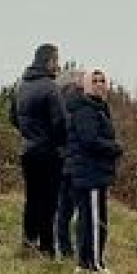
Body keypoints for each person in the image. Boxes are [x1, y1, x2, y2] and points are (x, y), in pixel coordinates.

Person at [65, 67, 124, 274]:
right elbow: (89, 140)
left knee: (89, 217)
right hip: (89, 172)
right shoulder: (86, 109)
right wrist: (114, 148)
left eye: (102, 81)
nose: (100, 84)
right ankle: (94, 264)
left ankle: (85, 262)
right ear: (87, 85)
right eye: (95, 81)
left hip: (93, 170)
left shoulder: (99, 107)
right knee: (94, 219)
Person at [10, 43, 65, 256]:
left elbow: (13, 117)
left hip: (28, 151)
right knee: (49, 201)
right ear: (49, 61)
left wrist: (29, 134)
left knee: (32, 199)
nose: (58, 65)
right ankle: (47, 248)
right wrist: (61, 144)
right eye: (56, 60)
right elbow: (60, 123)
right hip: (49, 152)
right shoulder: (50, 87)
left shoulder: (21, 85)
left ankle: (28, 242)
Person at [53, 68, 84, 259]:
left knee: (63, 208)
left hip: (60, 160)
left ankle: (64, 247)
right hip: (76, 162)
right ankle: (81, 248)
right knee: (82, 208)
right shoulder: (81, 104)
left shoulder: (59, 102)